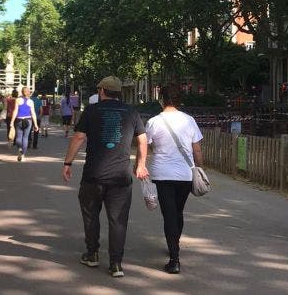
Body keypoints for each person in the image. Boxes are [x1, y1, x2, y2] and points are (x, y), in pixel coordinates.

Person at [62, 76, 148, 278]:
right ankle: (116, 264)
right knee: (118, 220)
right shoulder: (131, 112)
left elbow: (79, 137)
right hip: (120, 178)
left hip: (94, 175)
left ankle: (92, 254)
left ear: (101, 91)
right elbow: (143, 140)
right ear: (118, 93)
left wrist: (67, 163)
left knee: (91, 215)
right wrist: (140, 165)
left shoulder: (91, 110)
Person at [144, 83, 203, 274]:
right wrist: (199, 169)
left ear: (162, 99)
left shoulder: (154, 121)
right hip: (185, 174)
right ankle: (174, 246)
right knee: (178, 212)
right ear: (178, 100)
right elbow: (197, 149)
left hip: (162, 174)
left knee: (169, 214)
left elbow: (147, 145)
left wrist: (142, 164)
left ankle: (174, 258)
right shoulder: (189, 120)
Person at [10, 87, 39, 161]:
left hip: (19, 120)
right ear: (28, 92)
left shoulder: (18, 100)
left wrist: (12, 121)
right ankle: (23, 155)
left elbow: (15, 111)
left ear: (22, 92)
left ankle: (19, 148)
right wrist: (35, 124)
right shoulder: (31, 102)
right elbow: (33, 113)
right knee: (25, 138)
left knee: (18, 137)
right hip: (28, 120)